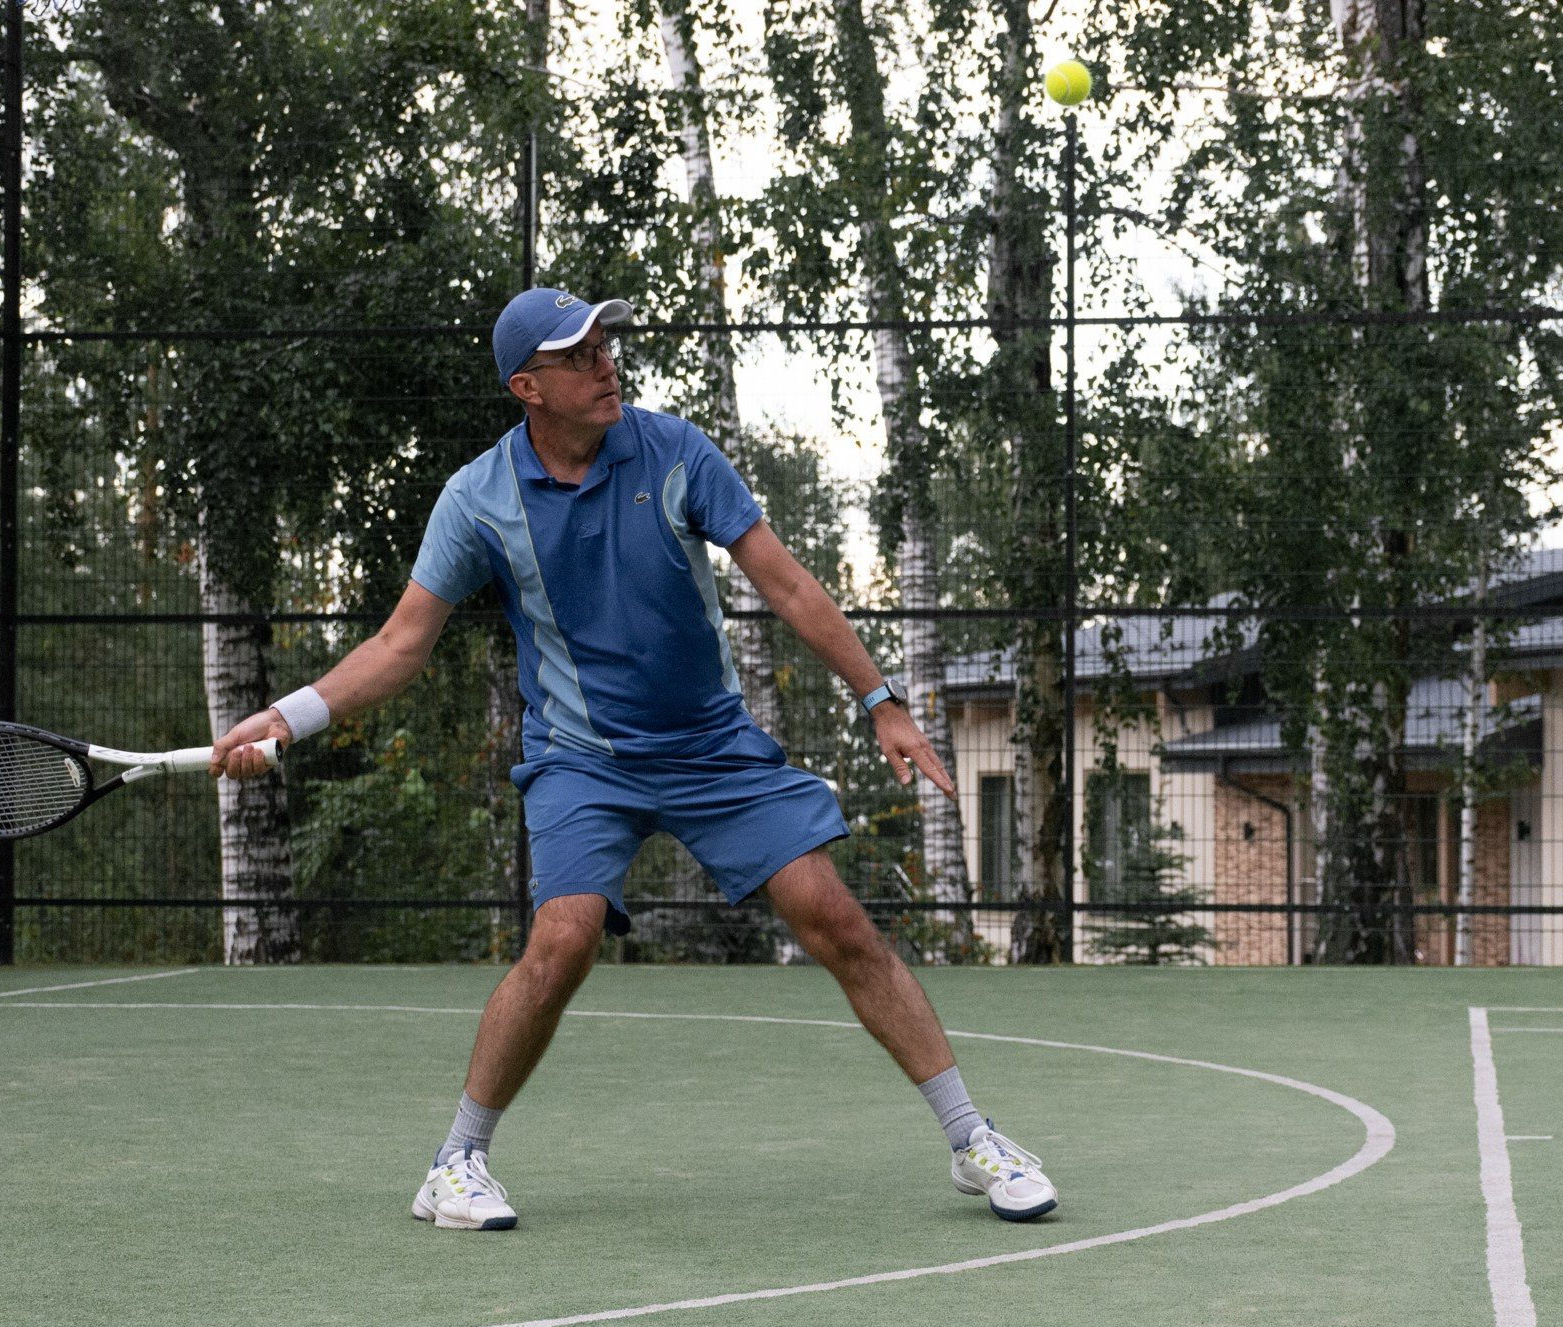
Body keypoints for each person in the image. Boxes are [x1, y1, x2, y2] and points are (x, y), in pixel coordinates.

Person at [210, 288, 1057, 1231]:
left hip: (712, 747)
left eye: (605, 344)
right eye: (578, 354)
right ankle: (455, 1162)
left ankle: (973, 1138)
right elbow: (400, 644)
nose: (605, 362)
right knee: (564, 937)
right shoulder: (478, 498)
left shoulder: (676, 451)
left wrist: (880, 700)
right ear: (527, 387)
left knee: (837, 917)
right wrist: (284, 719)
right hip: (583, 759)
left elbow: (784, 582)